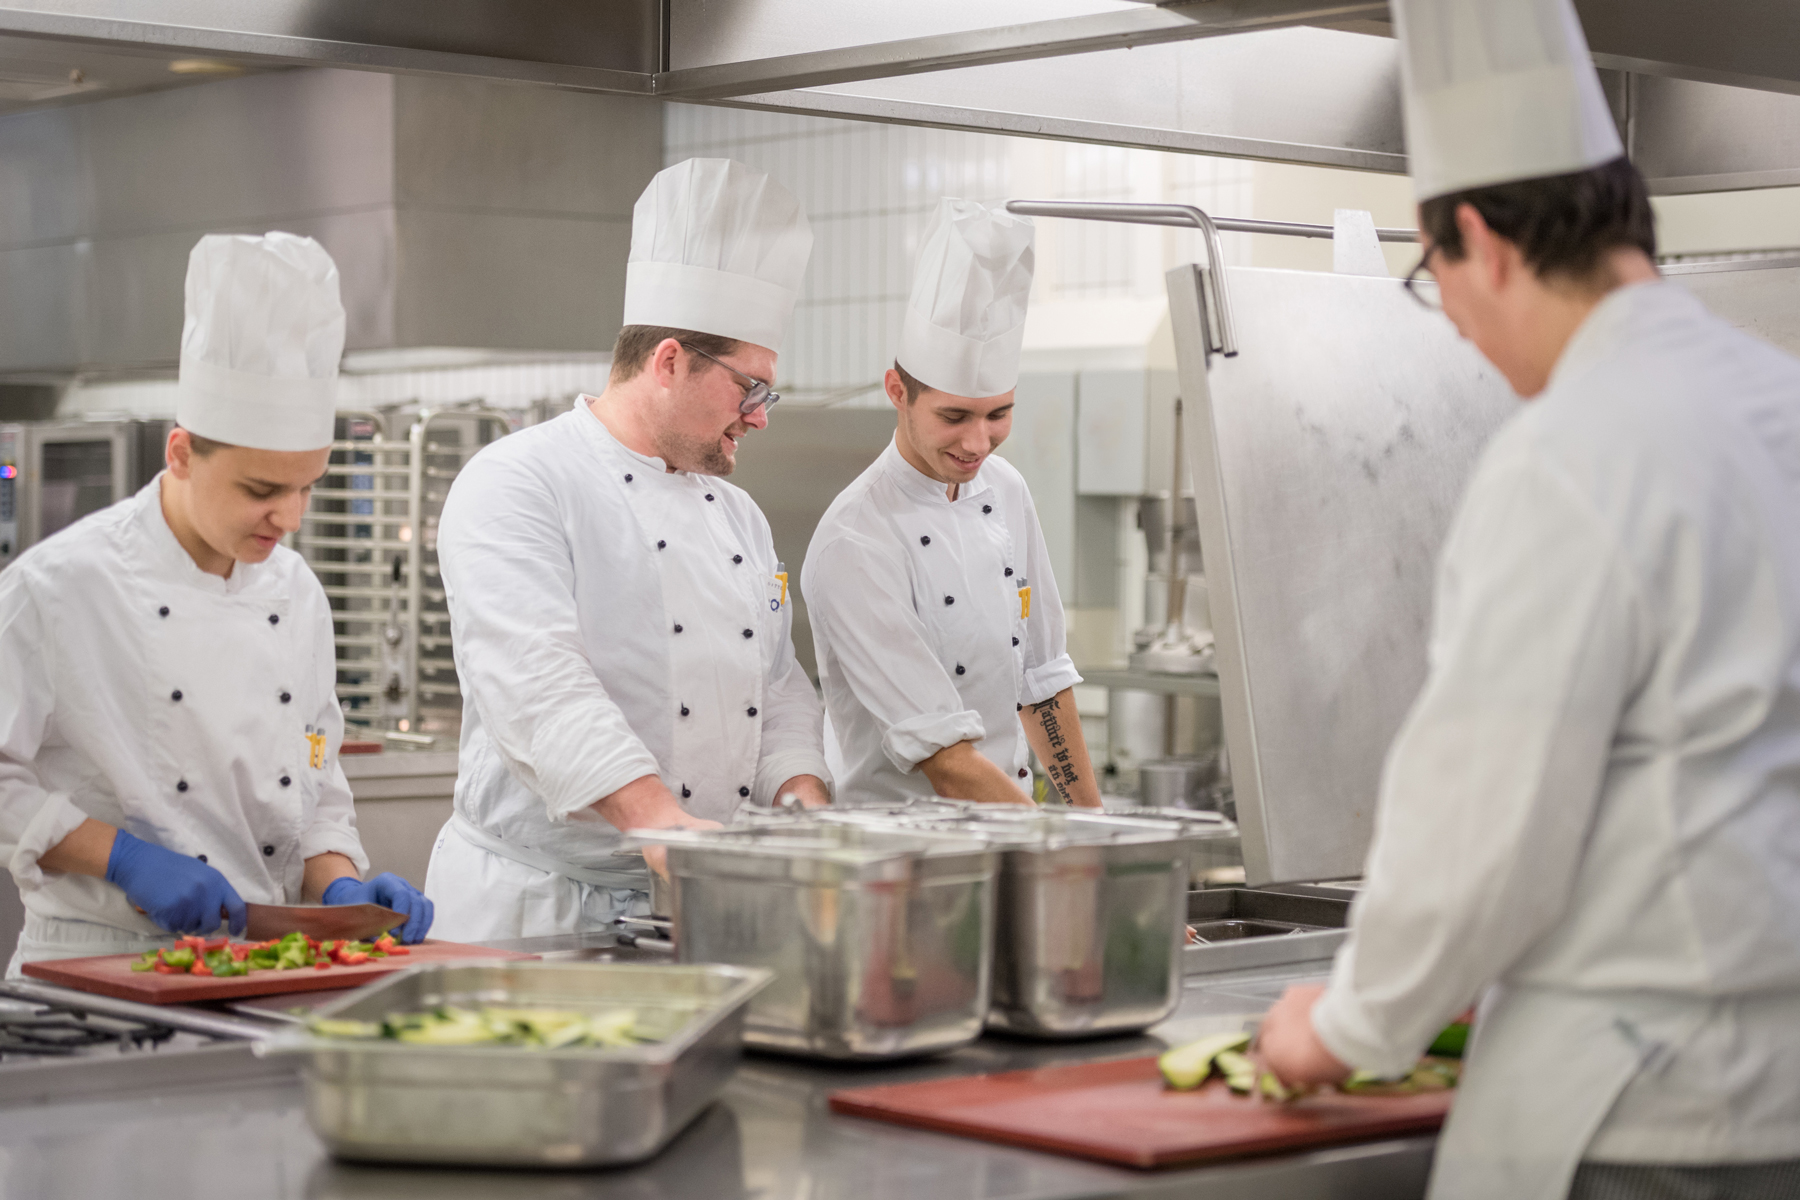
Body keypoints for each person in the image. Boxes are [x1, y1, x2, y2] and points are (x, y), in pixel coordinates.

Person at [1255, 2, 1800, 1197]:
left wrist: (1345, 1025)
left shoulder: (1573, 453)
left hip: (1637, 1110)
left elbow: (1488, 820)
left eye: (1432, 274)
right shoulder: (1778, 401)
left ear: (1483, 243)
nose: (1449, 316)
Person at [0, 232, 433, 974]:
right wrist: (124, 859)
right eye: (261, 490)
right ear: (180, 454)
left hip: (262, 965)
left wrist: (343, 889)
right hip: (99, 966)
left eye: (306, 487)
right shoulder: (59, 587)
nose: (289, 517)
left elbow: (318, 786)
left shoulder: (297, 594)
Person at [423, 158, 831, 941]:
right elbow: (539, 683)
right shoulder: (519, 481)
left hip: (691, 905)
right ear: (670, 361)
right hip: (534, 911)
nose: (760, 417)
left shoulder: (739, 516)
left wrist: (802, 803)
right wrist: (661, 825)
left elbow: (775, 685)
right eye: (750, 388)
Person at [803, 198, 1100, 809]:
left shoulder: (1007, 490)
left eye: (999, 414)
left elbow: (1041, 681)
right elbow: (946, 760)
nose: (977, 443)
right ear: (897, 392)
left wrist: (1093, 823)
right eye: (954, 416)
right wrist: (1064, 853)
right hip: (903, 865)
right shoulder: (855, 540)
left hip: (1009, 843)